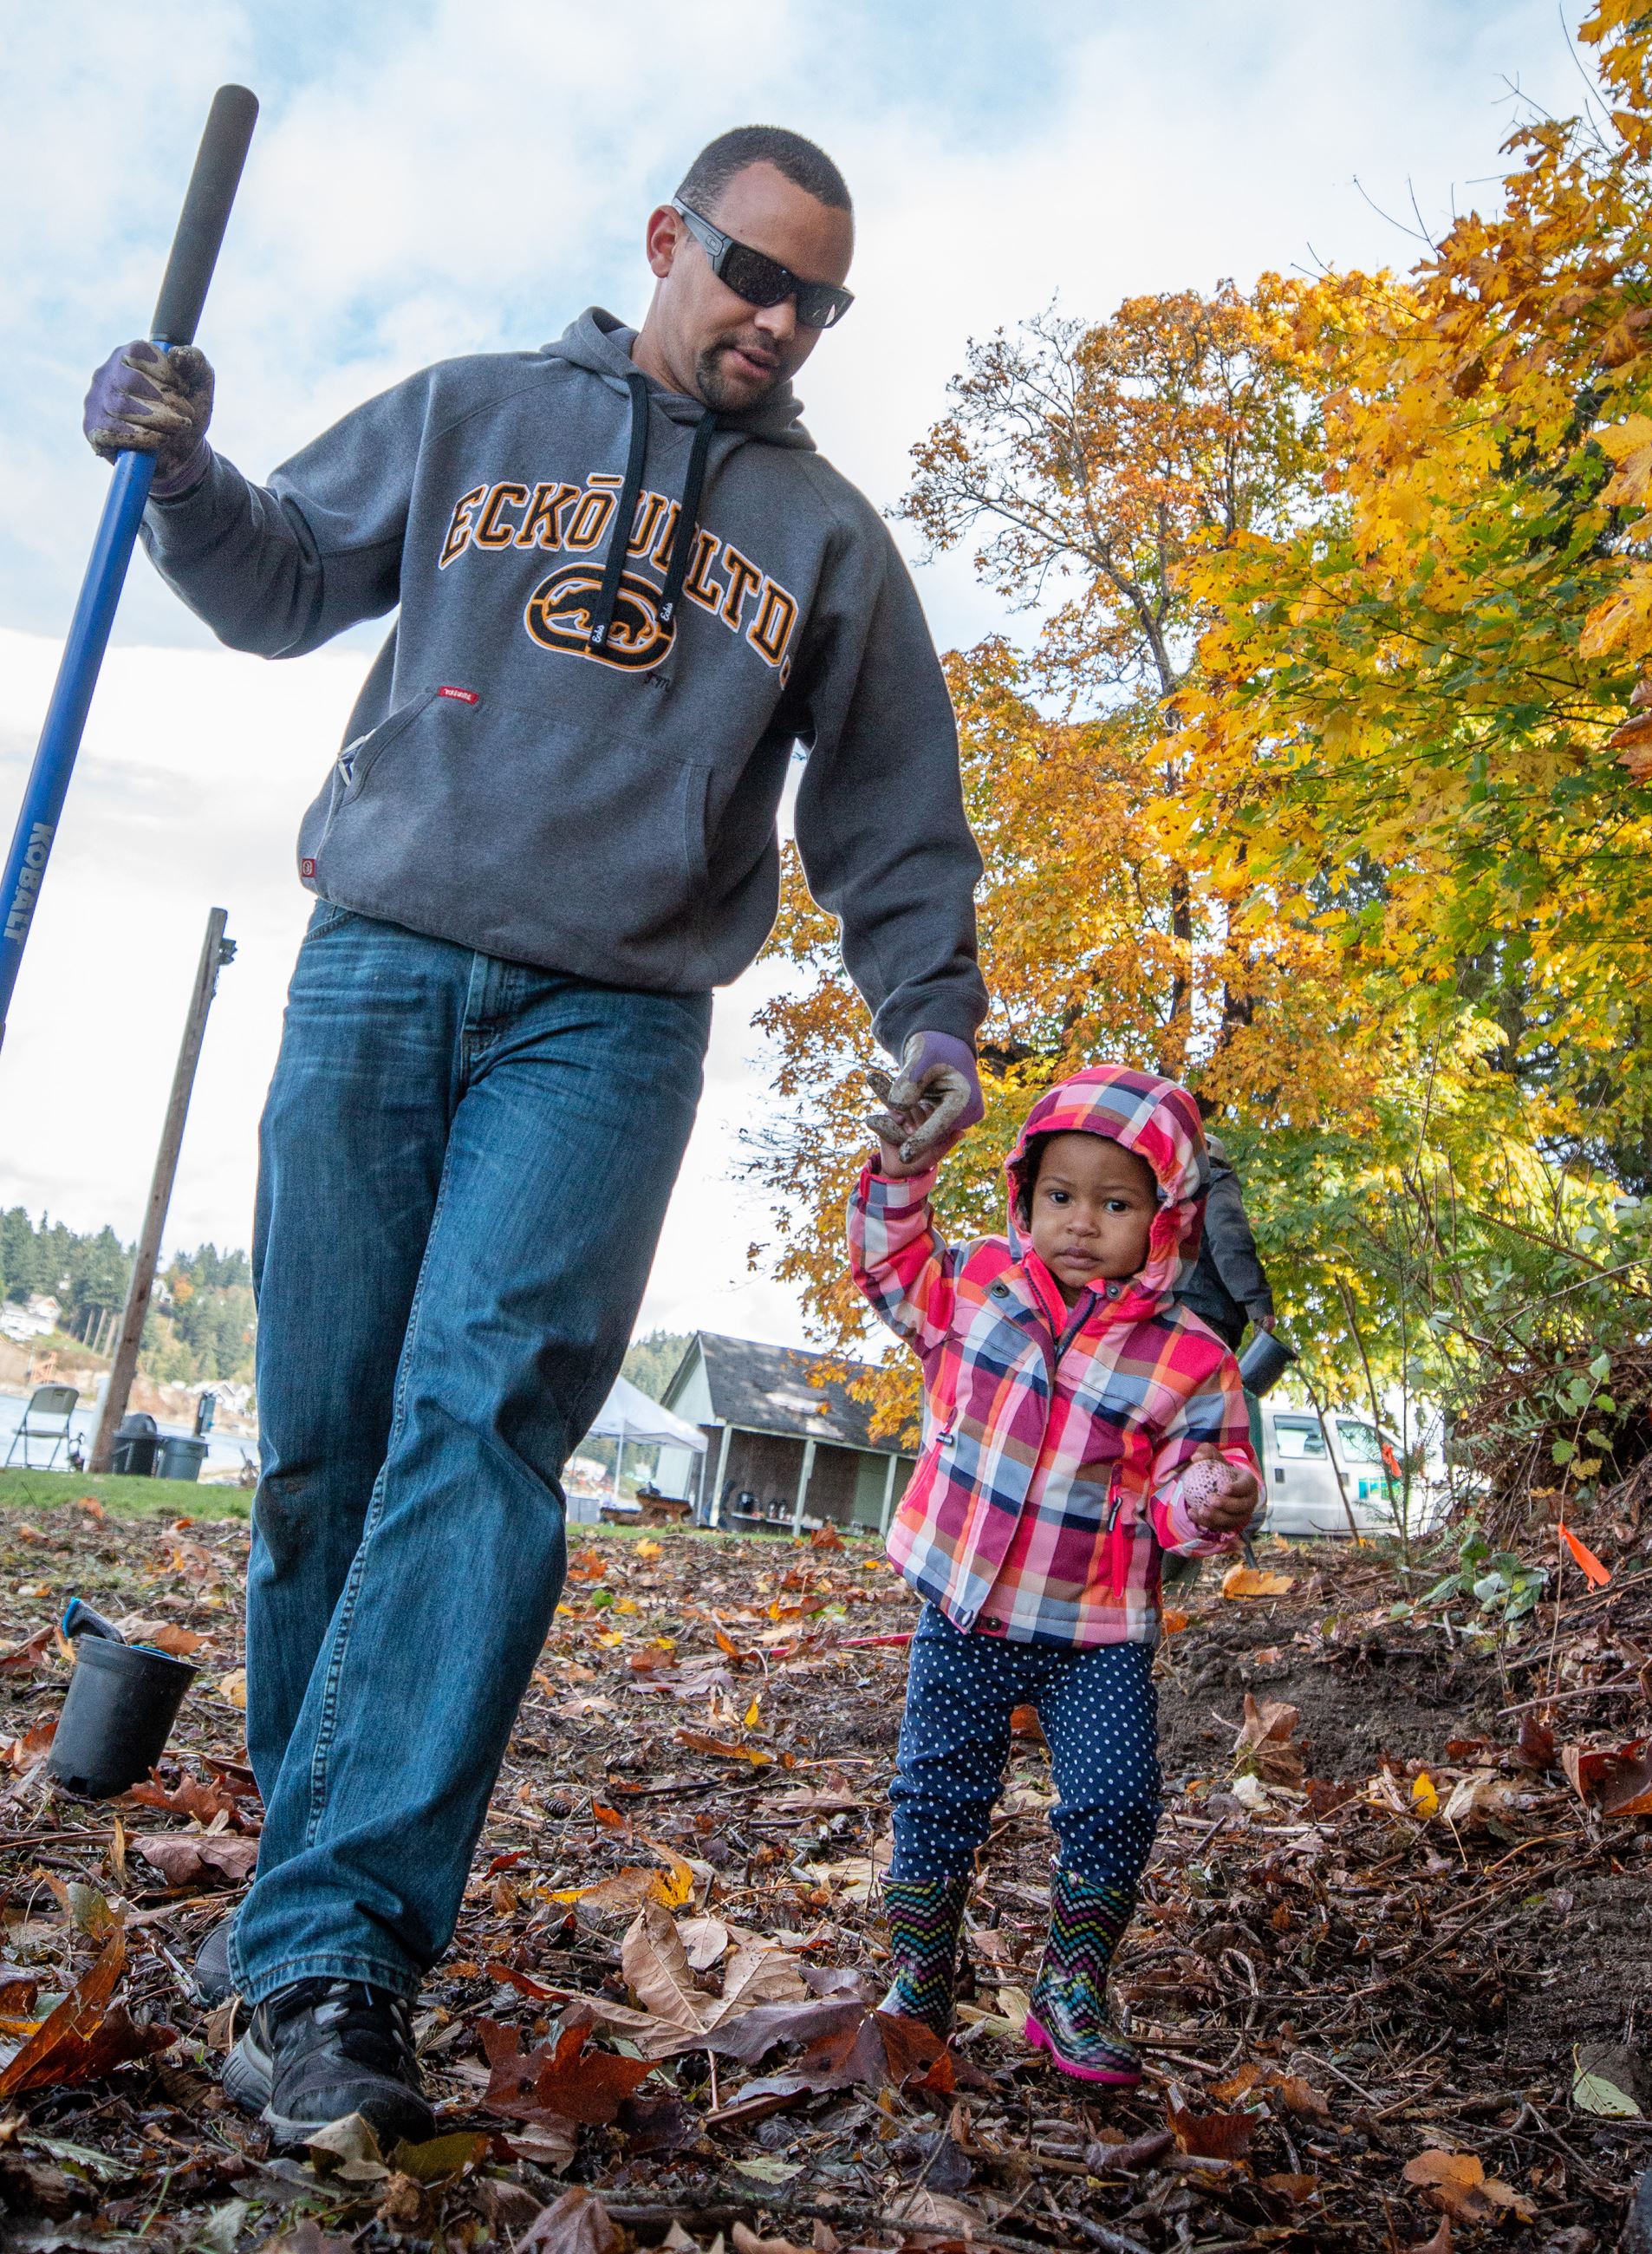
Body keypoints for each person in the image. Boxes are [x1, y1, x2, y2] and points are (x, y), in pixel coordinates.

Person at [81, 125, 987, 2148]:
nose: (775, 318)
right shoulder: (479, 409)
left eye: (814, 300)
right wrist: (178, 466)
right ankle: (303, 1897)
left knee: (477, 1431)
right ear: (667, 239)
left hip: (611, 1021)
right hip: (378, 963)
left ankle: (335, 1953)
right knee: (325, 1450)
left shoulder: (827, 541)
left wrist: (928, 1009)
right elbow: (280, 577)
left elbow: (895, 817)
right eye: (749, 270)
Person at [849, 1062, 1259, 2084]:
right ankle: (921, 1971)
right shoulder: (977, 1282)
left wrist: (1214, 1494)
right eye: (1059, 1195)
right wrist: (902, 1168)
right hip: (966, 1603)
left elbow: (1184, 1486)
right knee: (938, 1789)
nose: (1081, 1222)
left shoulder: (1189, 1356)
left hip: (1094, 1625)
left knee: (1116, 1795)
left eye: (1114, 1202)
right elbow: (888, 1265)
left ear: (1163, 1219)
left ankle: (1072, 1982)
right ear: (1023, 1195)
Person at [1175, 1132, 1275, 1352]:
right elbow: (1229, 1239)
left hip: (1153, 1318)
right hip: (1203, 1317)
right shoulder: (1216, 1180)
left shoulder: (1157, 1192)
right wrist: (1258, 1305)